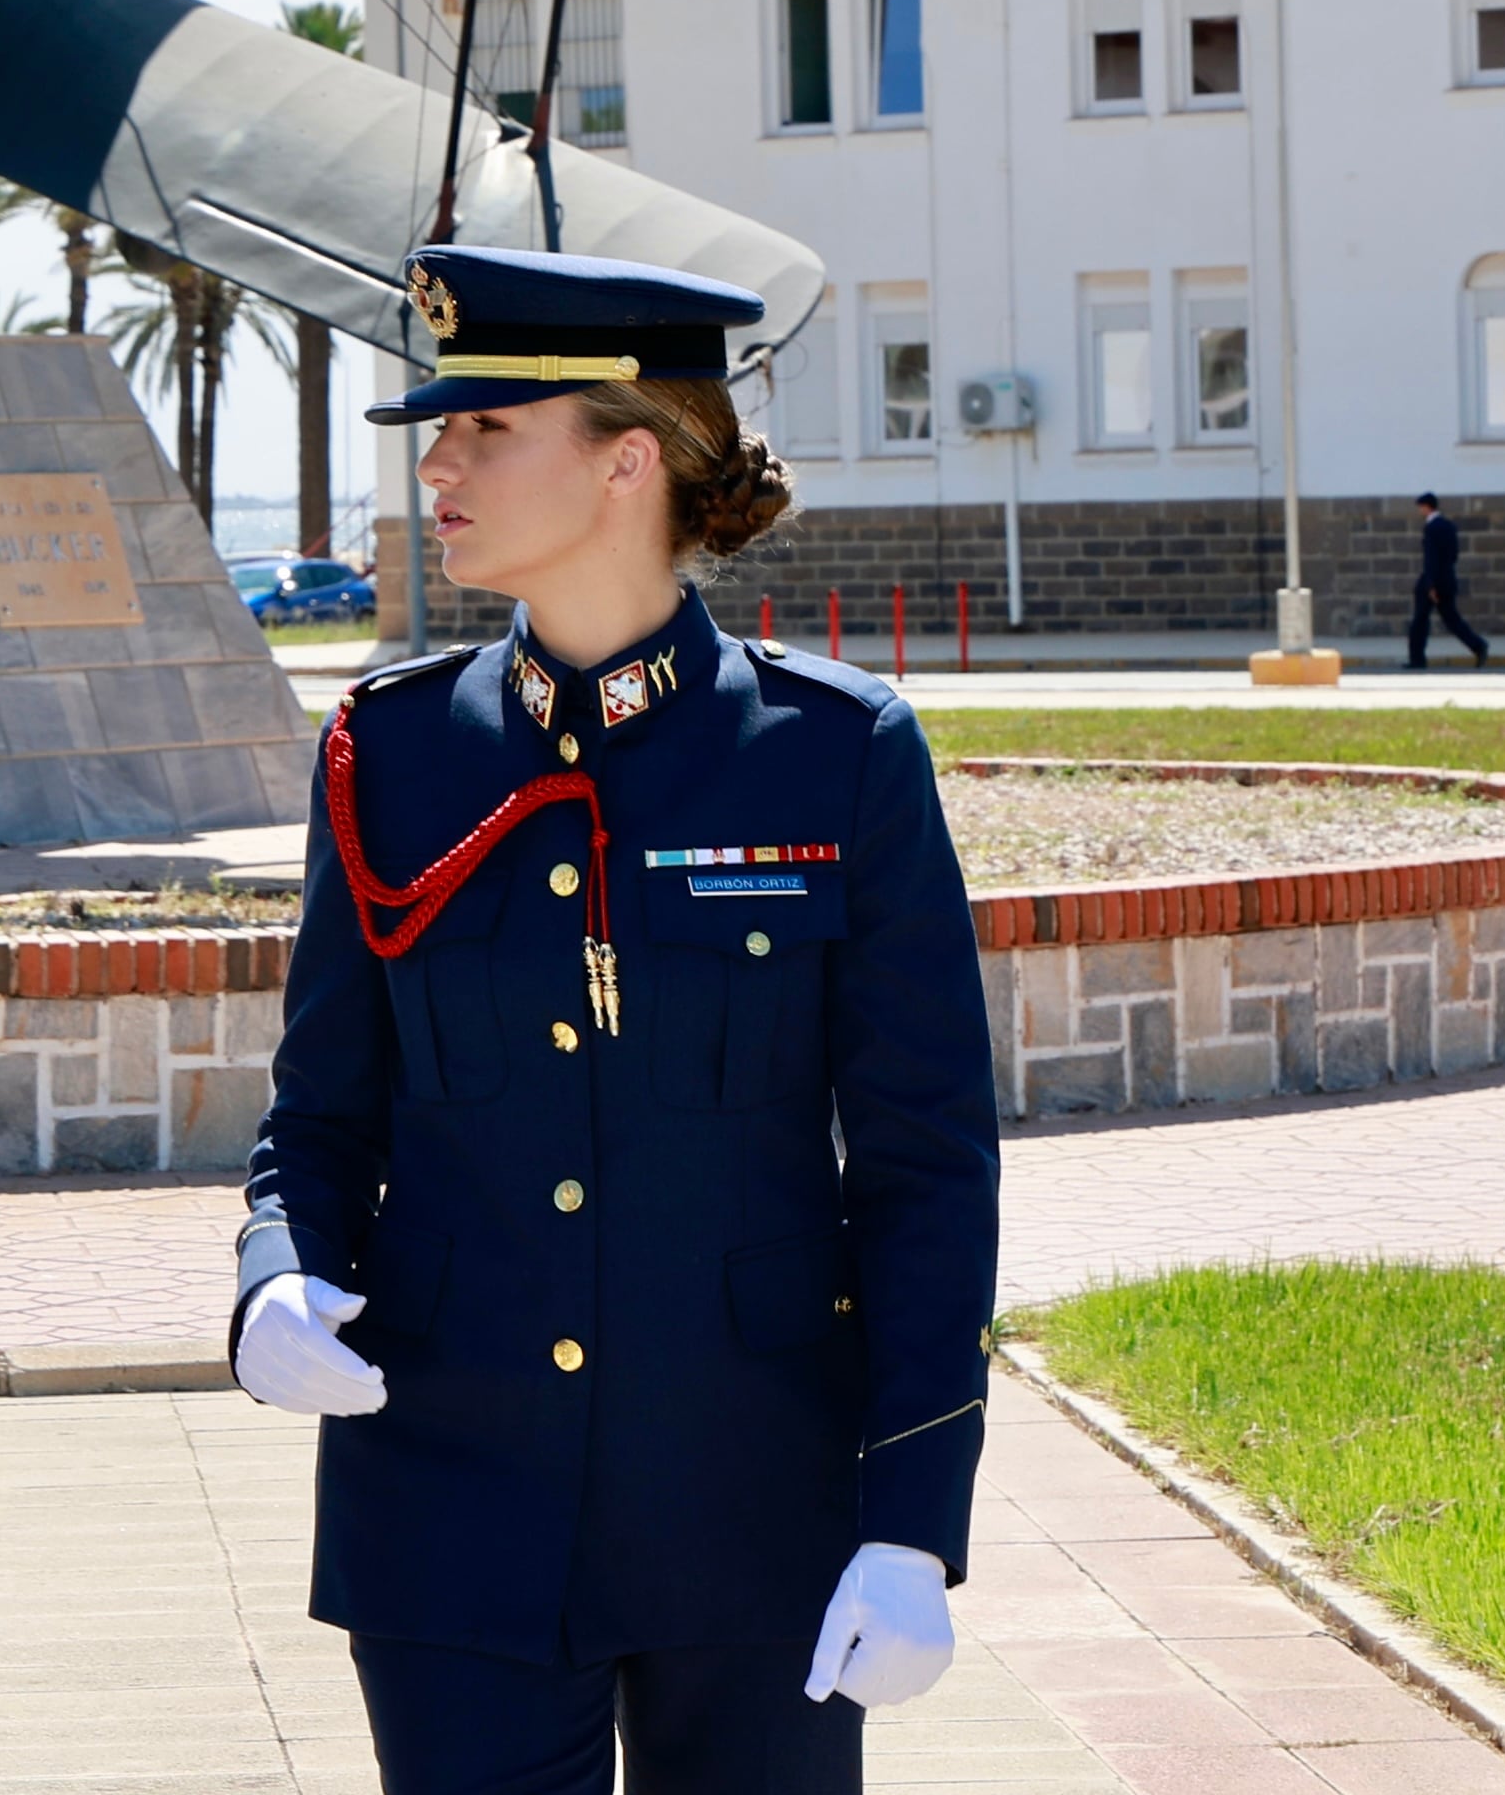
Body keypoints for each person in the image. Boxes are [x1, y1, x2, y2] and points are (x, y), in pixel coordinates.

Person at [231, 245, 1002, 1795]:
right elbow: (318, 1119)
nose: (437, 462)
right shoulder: (388, 754)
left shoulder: (831, 756)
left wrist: (915, 1521)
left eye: (486, 430)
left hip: (755, 1498)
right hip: (453, 1494)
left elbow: (924, 1171)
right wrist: (276, 1279)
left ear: (626, 459)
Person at [1407, 490, 1489, 670]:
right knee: (1453, 620)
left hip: (1432, 581)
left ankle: (1417, 659)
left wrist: (1430, 584)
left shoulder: (1431, 528)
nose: (1420, 511)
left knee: (1420, 621)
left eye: (1421, 508)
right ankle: (1478, 646)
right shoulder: (1449, 525)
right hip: (1447, 579)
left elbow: (1431, 558)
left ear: (1426, 507)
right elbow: (1452, 555)